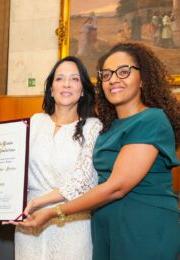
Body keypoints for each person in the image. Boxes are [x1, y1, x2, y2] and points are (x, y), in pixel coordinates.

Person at [14, 42, 180, 259]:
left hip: (142, 227)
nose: (113, 79)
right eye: (107, 74)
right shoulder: (109, 127)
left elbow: (116, 187)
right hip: (104, 227)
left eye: (124, 71)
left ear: (143, 79)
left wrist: (55, 211)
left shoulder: (151, 119)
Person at [10, 56, 102, 260]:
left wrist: (39, 203)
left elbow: (84, 181)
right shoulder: (35, 122)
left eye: (75, 79)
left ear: (83, 90)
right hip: (29, 224)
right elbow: (13, 165)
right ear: (51, 89)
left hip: (72, 223)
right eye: (60, 78)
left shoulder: (93, 127)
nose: (67, 84)